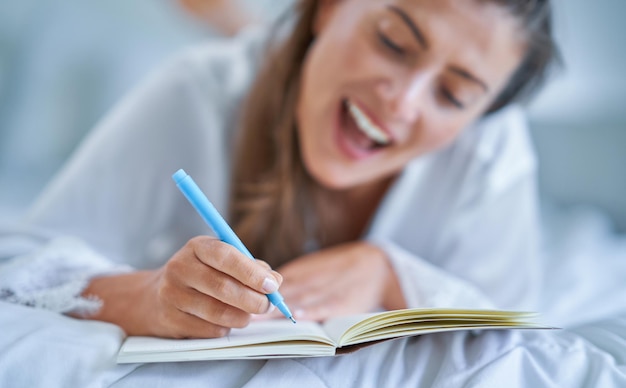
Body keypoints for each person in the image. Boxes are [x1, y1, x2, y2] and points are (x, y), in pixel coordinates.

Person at [0, 0, 558, 339]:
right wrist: (149, 300)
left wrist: (389, 274)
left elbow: (514, 326)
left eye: (455, 95)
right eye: (393, 42)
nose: (404, 101)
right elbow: (19, 267)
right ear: (331, 6)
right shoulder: (198, 93)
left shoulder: (489, 152)